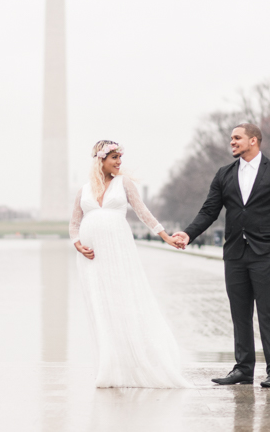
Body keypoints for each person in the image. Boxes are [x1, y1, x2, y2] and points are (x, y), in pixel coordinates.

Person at [172, 123, 270, 388]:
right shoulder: (224, 174)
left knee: (269, 313)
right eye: (231, 138)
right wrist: (188, 234)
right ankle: (243, 369)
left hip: (266, 253)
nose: (232, 142)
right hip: (234, 254)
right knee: (239, 313)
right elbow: (209, 210)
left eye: (237, 138)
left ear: (254, 140)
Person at [69, 140, 190, 388]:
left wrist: (165, 235)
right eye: (114, 157)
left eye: (120, 158)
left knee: (123, 302)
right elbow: (74, 223)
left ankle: (135, 360)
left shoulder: (123, 184)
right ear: (100, 160)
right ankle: (108, 366)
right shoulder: (83, 191)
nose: (119, 162)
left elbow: (143, 212)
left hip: (118, 252)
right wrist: (77, 244)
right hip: (91, 258)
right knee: (100, 307)